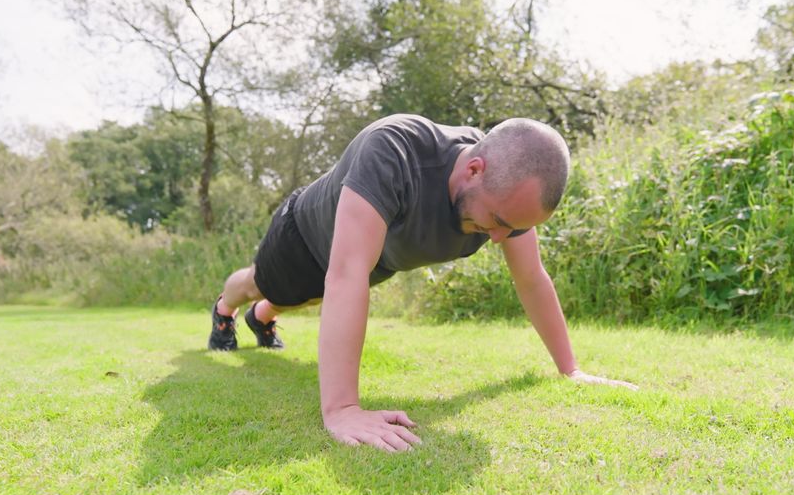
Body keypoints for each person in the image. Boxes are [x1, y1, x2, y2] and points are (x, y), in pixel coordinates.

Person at [208, 114, 639, 452]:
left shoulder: (505, 193)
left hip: (374, 261)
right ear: (473, 169)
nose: (498, 239)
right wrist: (342, 410)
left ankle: (263, 319)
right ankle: (227, 311)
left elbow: (531, 278)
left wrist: (571, 370)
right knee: (260, 285)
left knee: (307, 298)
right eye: (498, 222)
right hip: (302, 239)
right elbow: (346, 274)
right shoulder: (394, 149)